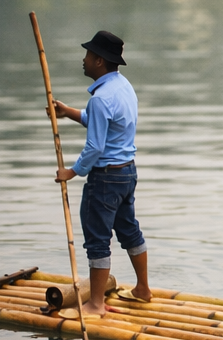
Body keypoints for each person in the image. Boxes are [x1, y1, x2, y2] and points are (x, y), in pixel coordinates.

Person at [53, 30, 151, 317]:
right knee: (129, 230)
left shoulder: (100, 98)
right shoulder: (123, 87)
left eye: (87, 55)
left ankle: (95, 304)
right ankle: (143, 289)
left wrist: (72, 172)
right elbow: (104, 125)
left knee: (97, 238)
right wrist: (67, 112)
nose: (83, 60)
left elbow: (95, 146)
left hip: (105, 178)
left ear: (98, 61)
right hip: (127, 174)